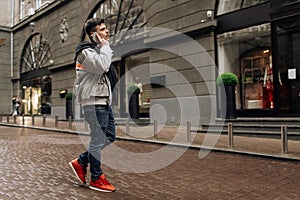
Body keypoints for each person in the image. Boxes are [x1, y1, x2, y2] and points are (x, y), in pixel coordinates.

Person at [69, 18, 117, 192]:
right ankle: (96, 178)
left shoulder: (95, 51)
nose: (107, 32)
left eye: (106, 29)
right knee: (97, 140)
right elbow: (102, 66)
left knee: (110, 135)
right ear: (93, 34)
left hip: (103, 101)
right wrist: (105, 47)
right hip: (94, 102)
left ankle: (81, 161)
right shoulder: (85, 52)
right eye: (103, 30)